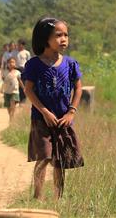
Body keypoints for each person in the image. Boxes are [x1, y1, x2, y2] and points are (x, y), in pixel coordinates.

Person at [23, 17, 84, 199]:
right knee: (44, 157)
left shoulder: (70, 64)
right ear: (45, 39)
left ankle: (58, 197)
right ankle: (38, 196)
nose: (64, 39)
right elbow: (28, 90)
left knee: (60, 161)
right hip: (42, 119)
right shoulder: (34, 64)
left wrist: (71, 111)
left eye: (66, 35)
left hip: (63, 119)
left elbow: (78, 87)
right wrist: (45, 112)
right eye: (58, 35)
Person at [2, 57, 23, 122]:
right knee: (8, 107)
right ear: (7, 64)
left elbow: (20, 81)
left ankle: (12, 118)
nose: (11, 64)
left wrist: (24, 88)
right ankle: (11, 117)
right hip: (7, 92)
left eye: (13, 62)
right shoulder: (5, 72)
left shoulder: (17, 72)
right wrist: (1, 88)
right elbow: (3, 81)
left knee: (13, 104)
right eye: (10, 62)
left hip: (15, 91)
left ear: (15, 64)